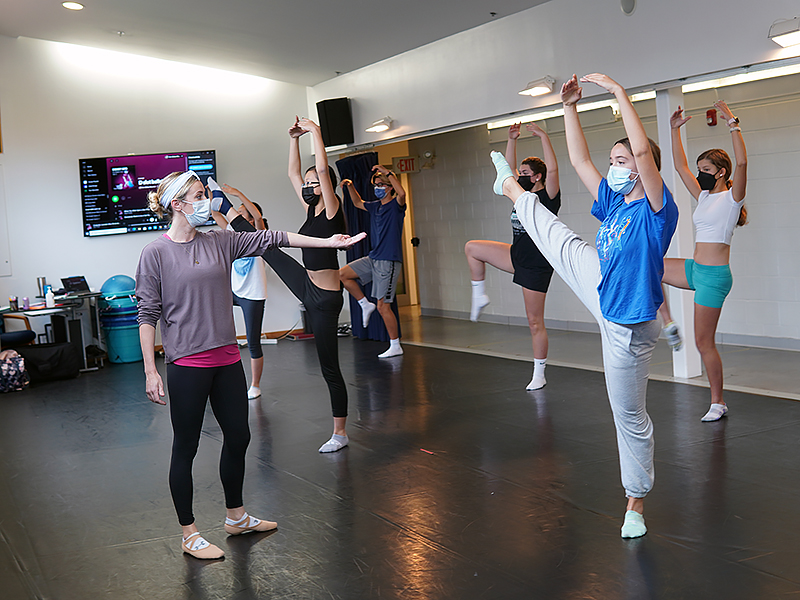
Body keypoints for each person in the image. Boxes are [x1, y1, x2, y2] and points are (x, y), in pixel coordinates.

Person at [136, 170, 364, 559]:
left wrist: (327, 241)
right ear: (178, 204)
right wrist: (150, 370)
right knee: (186, 446)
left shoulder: (220, 242)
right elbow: (147, 314)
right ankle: (189, 533)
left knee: (239, 437)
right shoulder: (155, 253)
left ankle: (236, 516)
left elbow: (273, 238)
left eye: (205, 193)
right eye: (198, 195)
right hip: (187, 363)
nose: (206, 200)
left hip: (226, 356)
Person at [490, 73, 678, 539]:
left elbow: (641, 153)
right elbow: (577, 160)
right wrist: (569, 108)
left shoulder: (657, 207)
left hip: (628, 325)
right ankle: (511, 188)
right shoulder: (613, 202)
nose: (616, 165)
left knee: (629, 415)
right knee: (561, 239)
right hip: (601, 282)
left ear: (642, 165)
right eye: (613, 158)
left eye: (624, 159)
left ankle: (635, 503)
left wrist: (618, 94)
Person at [215, 117, 354, 454]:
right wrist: (293, 140)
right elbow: (293, 174)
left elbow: (322, 170)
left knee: (329, 367)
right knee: (266, 244)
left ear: (326, 186)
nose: (309, 185)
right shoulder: (310, 209)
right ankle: (225, 210)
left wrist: (315, 133)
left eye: (315, 182)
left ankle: (340, 432)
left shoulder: (333, 209)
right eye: (307, 183)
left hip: (325, 300)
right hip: (306, 286)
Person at [656, 100, 747, 422]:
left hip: (714, 277)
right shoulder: (705, 196)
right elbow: (680, 167)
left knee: (703, 343)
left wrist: (732, 124)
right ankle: (667, 323)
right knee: (651, 265)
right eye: (700, 170)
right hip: (694, 269)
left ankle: (718, 402)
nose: (700, 175)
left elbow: (743, 162)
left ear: (721, 173)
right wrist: (673, 130)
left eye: (706, 171)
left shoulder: (732, 199)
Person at [465, 122, 561, 389]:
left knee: (534, 322)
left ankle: (539, 373)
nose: (521, 175)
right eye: (521, 172)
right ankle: (479, 296)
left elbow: (553, 168)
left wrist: (544, 135)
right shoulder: (519, 196)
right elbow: (505, 172)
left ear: (538, 177)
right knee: (472, 248)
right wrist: (512, 140)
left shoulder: (548, 196)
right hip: (515, 255)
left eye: (526, 172)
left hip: (536, 265)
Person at [339, 165, 407, 358]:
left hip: (388, 261)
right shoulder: (375, 206)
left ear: (389, 187)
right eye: (375, 184)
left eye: (381, 185)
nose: (377, 187)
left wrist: (388, 174)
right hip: (373, 257)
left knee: (383, 306)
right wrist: (350, 186)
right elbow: (357, 202)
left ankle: (395, 345)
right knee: (342, 274)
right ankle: (363, 304)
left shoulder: (396, 206)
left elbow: (402, 193)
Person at [211, 183, 268, 400]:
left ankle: (255, 385)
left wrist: (239, 195)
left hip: (253, 295)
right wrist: (213, 194)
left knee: (253, 341)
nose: (238, 214)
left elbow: (259, 216)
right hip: (234, 291)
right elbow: (216, 213)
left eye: (242, 212)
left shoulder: (258, 235)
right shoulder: (232, 234)